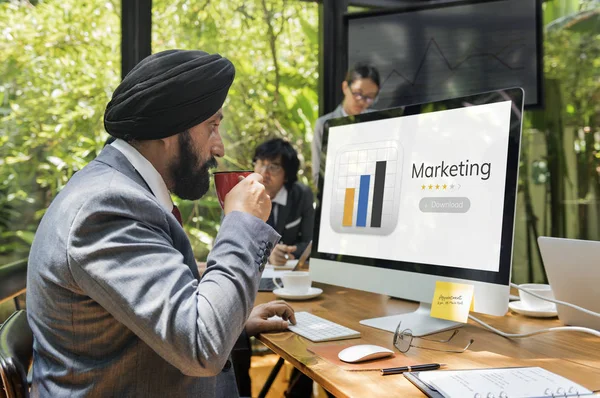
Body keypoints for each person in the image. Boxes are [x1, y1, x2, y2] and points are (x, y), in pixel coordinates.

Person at [26, 49, 296, 398]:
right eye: (212, 126)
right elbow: (203, 345)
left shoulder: (119, 191)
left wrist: (233, 322)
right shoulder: (105, 207)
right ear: (169, 130)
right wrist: (241, 222)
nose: (220, 147)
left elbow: (155, 320)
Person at [311, 63, 380, 185]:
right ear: (345, 87)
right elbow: (318, 175)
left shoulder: (378, 122)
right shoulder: (325, 124)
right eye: (357, 93)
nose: (362, 101)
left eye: (369, 97)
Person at [253, 138, 314, 265]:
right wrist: (268, 253)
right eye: (260, 163)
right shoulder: (239, 194)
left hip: (288, 271)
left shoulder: (302, 195)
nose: (264, 172)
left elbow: (310, 243)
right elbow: (230, 242)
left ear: (287, 174)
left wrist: (284, 253)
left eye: (273, 166)